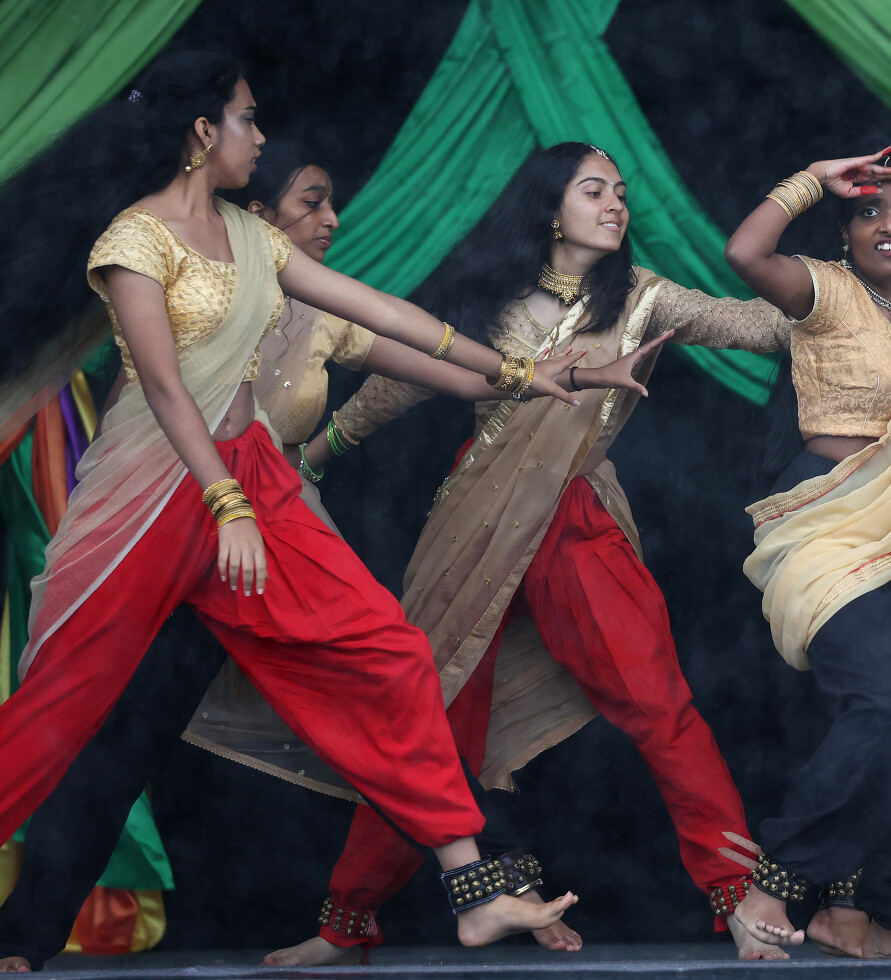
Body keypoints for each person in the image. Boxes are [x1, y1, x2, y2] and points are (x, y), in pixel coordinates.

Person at [0, 136, 661, 970]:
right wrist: (225, 503)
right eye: (312, 202)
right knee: (100, 740)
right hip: (174, 525)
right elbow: (157, 404)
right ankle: (23, 939)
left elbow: (428, 350)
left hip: (264, 540)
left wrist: (552, 374)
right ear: (256, 216)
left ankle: (473, 887)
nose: (333, 219)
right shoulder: (176, 283)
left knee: (386, 674)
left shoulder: (317, 310)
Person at [263, 141, 794, 966]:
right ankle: (349, 921)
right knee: (428, 715)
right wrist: (316, 453)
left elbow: (761, 325)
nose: (616, 205)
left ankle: (737, 896)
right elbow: (402, 382)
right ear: (551, 209)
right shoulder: (488, 302)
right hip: (477, 521)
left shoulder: (645, 299)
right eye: (595, 191)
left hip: (575, 522)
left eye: (620, 193)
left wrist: (852, 305)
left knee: (658, 702)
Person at [722, 147, 891, 960]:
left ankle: (874, 918)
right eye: (870, 211)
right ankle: (774, 886)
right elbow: (745, 254)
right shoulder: (823, 291)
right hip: (830, 522)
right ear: (845, 231)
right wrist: (812, 180)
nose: (889, 225)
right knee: (885, 697)